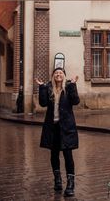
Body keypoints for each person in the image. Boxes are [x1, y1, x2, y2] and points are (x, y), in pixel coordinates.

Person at [36, 67, 80, 197]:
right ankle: (58, 180)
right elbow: (43, 103)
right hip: (52, 127)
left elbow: (76, 101)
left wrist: (73, 85)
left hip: (66, 128)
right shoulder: (49, 89)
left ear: (64, 76)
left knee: (68, 155)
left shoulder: (68, 88)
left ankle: (71, 184)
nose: (58, 74)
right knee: (54, 155)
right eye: (56, 73)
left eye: (60, 73)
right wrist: (42, 87)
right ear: (53, 76)